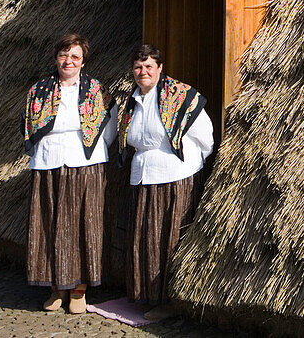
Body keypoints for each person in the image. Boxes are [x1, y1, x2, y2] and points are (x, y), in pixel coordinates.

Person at [118, 44, 215, 320]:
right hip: (143, 177)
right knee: (144, 237)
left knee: (168, 238)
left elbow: (205, 136)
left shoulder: (180, 96)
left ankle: (169, 301)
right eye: (138, 67)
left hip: (175, 176)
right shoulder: (132, 101)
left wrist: (191, 165)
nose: (143, 72)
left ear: (160, 68)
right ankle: (146, 295)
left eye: (149, 66)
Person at [22, 33, 115, 314]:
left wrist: (91, 149)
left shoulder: (96, 89)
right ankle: (55, 289)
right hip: (49, 161)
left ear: (83, 61)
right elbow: (29, 126)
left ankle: (78, 290)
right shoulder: (38, 90)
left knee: (84, 224)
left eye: (75, 56)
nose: (68, 61)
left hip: (85, 162)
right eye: (64, 55)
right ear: (56, 58)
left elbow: (108, 127)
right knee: (50, 225)